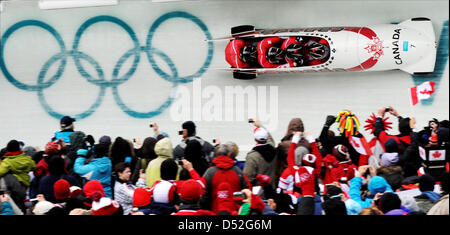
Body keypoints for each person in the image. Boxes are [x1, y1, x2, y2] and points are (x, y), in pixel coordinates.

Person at [201, 144, 249, 213]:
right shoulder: (238, 171)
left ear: (215, 155)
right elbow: (246, 191)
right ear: (229, 154)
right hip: (235, 211)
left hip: (215, 211)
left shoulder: (209, 172)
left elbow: (204, 195)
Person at [243, 119, 277, 187]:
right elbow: (270, 140)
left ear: (255, 139)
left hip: (259, 194)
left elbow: (247, 178)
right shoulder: (273, 150)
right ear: (266, 137)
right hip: (272, 190)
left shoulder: (252, 156)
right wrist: (260, 126)